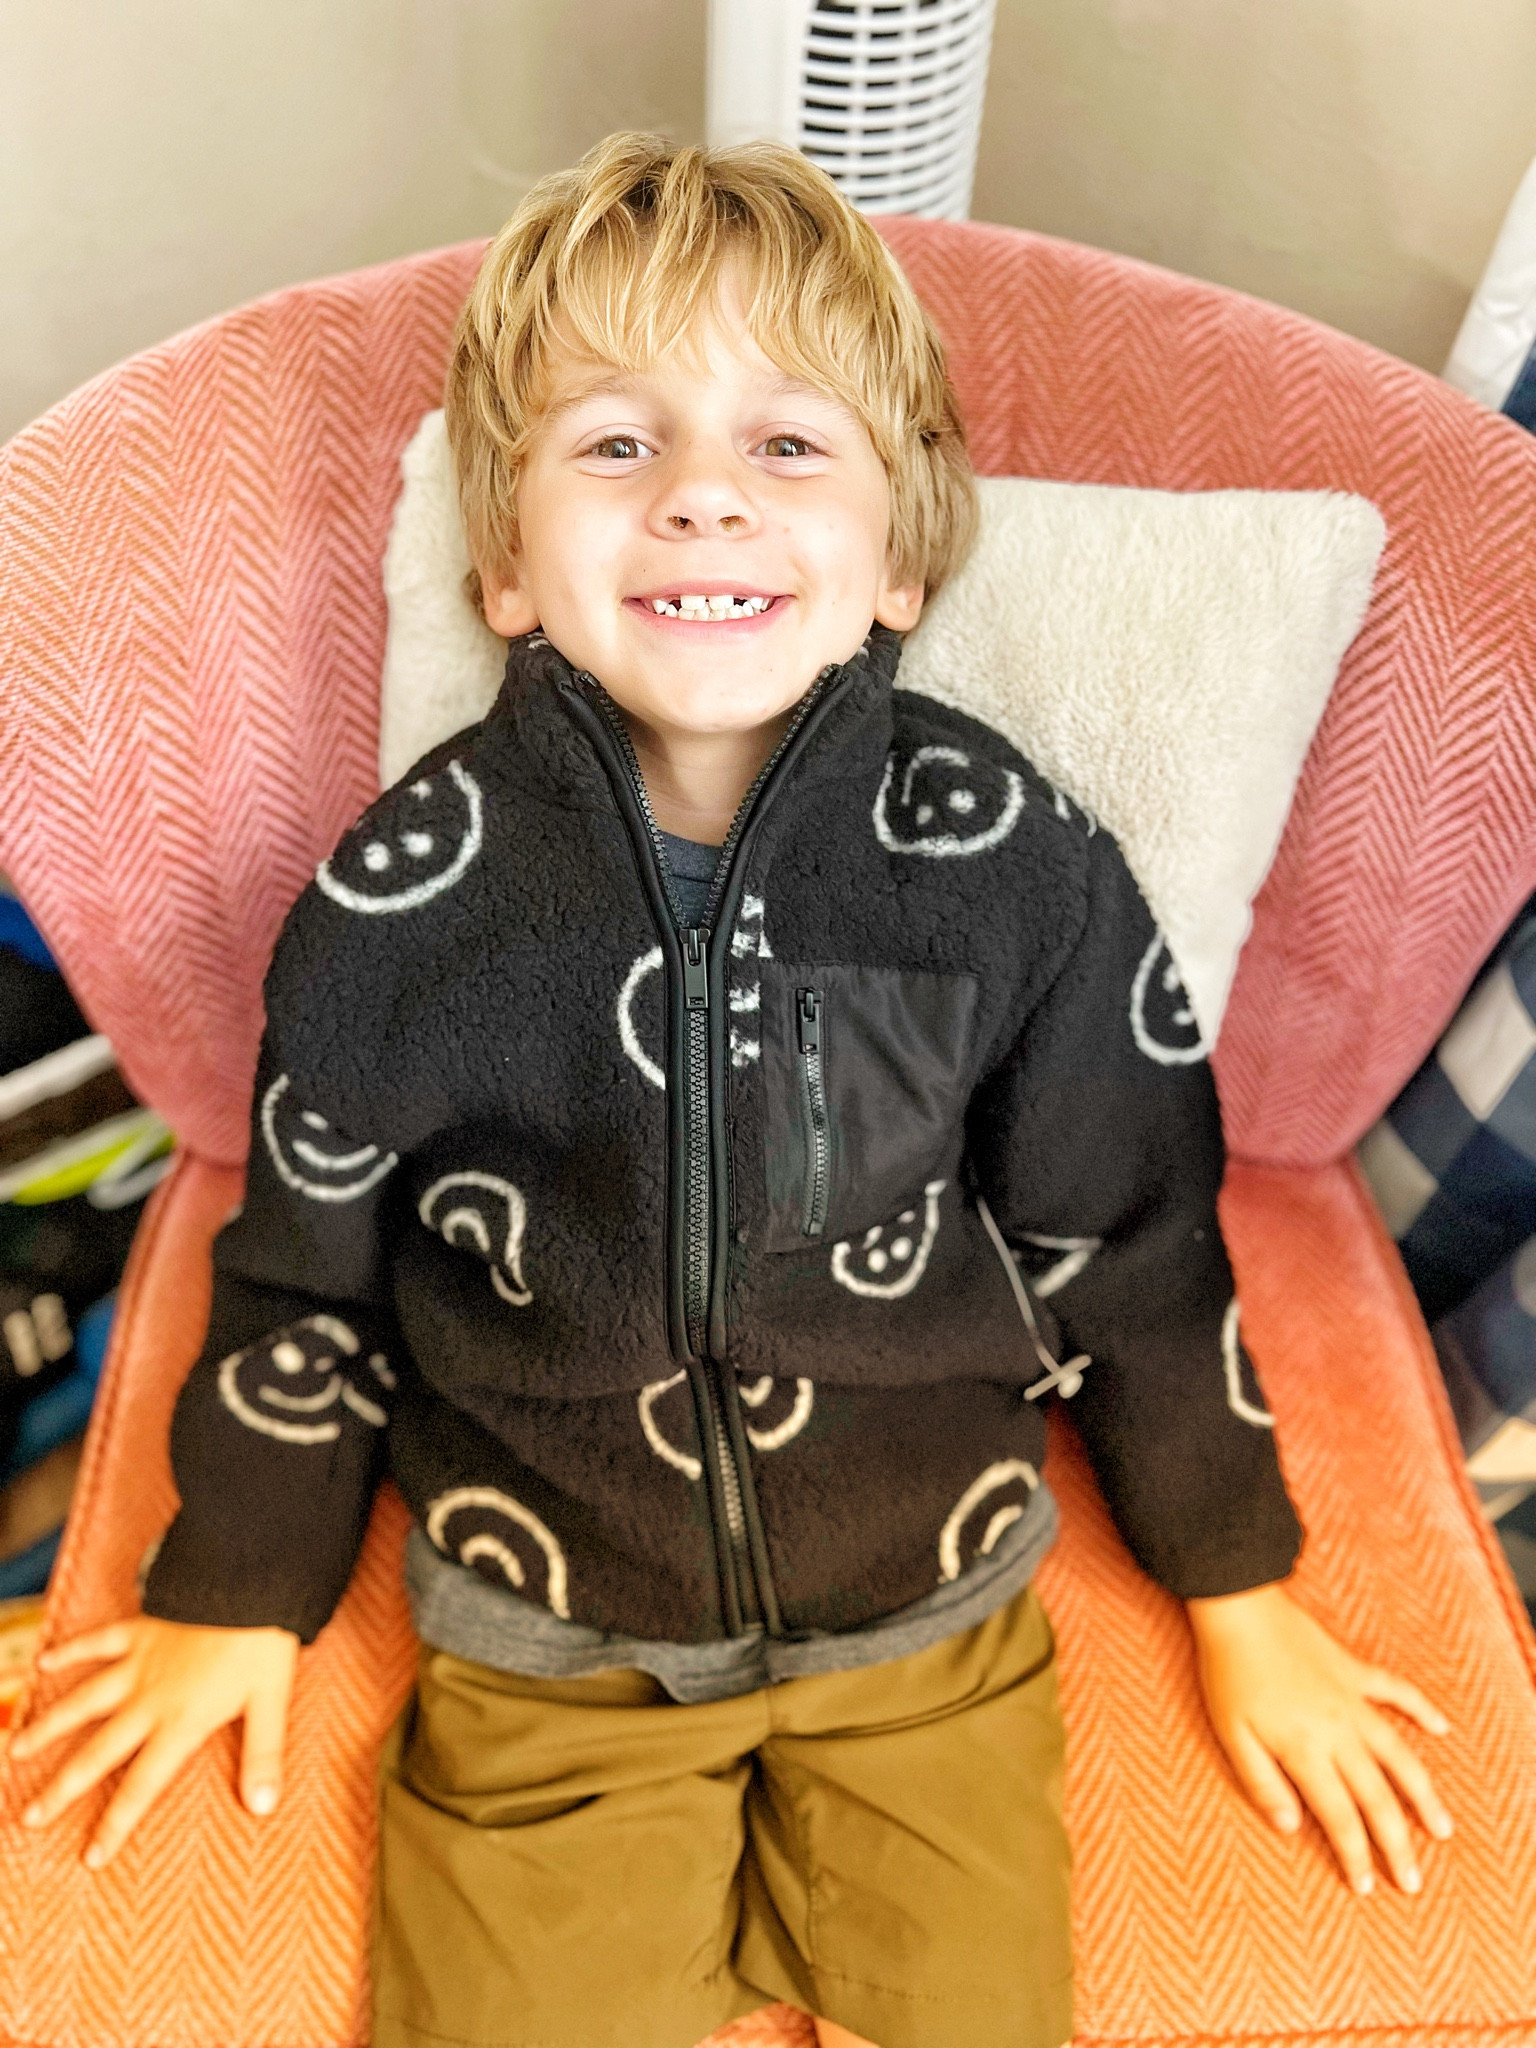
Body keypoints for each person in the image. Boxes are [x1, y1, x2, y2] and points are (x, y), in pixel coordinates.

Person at [14, 134, 1455, 2048]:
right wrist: (234, 1590)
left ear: (903, 558)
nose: (703, 497)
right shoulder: (394, 906)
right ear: (505, 566)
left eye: (790, 448)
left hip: (927, 1609)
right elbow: (301, 1285)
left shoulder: (1014, 870)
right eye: (617, 446)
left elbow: (1130, 1242)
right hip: (546, 1635)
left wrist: (1239, 1585)